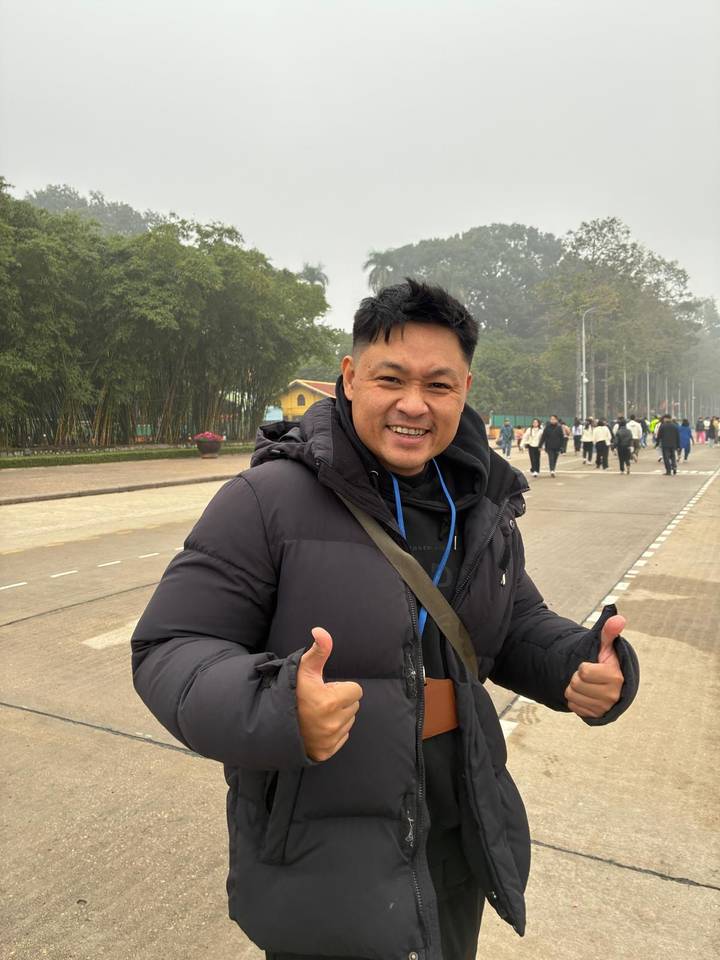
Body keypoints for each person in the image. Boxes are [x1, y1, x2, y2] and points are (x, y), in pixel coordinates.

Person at [130, 280, 639, 960]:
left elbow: (514, 622)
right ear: (348, 378)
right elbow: (170, 646)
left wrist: (584, 663)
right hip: (320, 845)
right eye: (390, 378)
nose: (412, 404)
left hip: (458, 829)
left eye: (438, 385)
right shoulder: (265, 500)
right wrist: (277, 706)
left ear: (464, 388)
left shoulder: (475, 505)